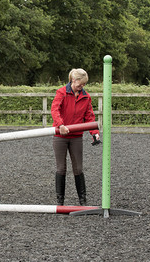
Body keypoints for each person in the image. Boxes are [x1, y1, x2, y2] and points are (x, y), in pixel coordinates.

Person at [50, 68, 100, 206]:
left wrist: (94, 133)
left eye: (84, 84)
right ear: (73, 80)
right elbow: (55, 110)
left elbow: (89, 116)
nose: (82, 87)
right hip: (60, 136)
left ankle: (82, 200)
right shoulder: (62, 92)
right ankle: (60, 201)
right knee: (61, 168)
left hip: (76, 137)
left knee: (78, 168)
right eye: (80, 84)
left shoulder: (86, 97)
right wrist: (60, 125)